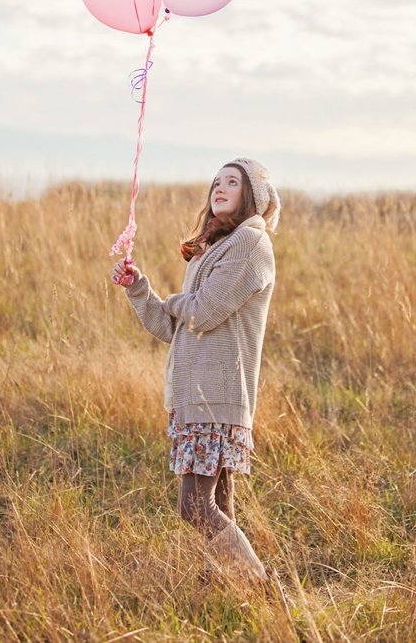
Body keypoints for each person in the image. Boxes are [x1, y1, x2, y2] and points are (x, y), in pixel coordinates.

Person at [111, 157, 280, 583]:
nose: (219, 188)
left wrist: (172, 302)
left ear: (253, 197)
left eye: (233, 183)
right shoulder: (214, 247)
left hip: (216, 396)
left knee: (194, 506)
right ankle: (226, 583)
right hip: (198, 396)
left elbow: (202, 313)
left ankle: (260, 586)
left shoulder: (250, 244)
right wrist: (140, 290)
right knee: (219, 505)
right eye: (216, 181)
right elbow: (175, 327)